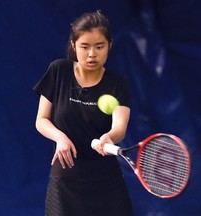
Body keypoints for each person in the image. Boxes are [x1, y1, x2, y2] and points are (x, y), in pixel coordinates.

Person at [33, 10, 133, 216]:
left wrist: (109, 137)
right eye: (85, 47)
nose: (92, 54)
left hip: (106, 181)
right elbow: (41, 120)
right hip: (65, 178)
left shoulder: (118, 84)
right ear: (73, 45)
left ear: (109, 46)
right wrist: (59, 137)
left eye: (99, 47)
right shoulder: (58, 71)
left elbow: (119, 128)